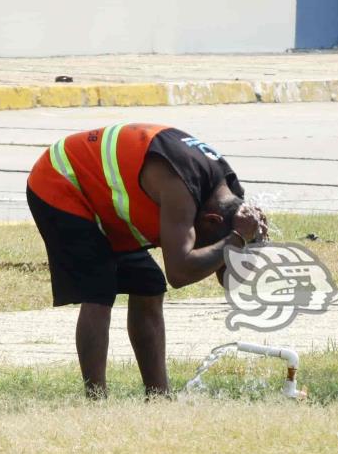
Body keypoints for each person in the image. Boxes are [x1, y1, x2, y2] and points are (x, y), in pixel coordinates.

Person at [26, 123, 267, 398]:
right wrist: (235, 239)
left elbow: (229, 280)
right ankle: (96, 400)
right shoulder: (181, 188)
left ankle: (159, 396)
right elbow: (179, 272)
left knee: (148, 285)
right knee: (98, 289)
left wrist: (252, 243)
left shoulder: (231, 198)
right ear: (212, 221)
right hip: (62, 181)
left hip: (104, 203)